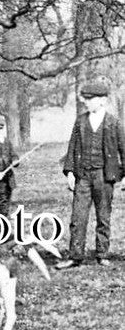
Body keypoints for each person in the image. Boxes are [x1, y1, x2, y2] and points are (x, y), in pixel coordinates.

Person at [56, 81, 125, 269]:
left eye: (90, 99)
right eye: (85, 99)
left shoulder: (114, 122)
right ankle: (75, 256)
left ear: (102, 100)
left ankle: (102, 254)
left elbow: (123, 149)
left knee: (103, 216)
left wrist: (124, 174)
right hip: (83, 176)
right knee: (78, 217)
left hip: (104, 177)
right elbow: (72, 148)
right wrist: (70, 172)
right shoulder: (80, 121)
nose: (86, 102)